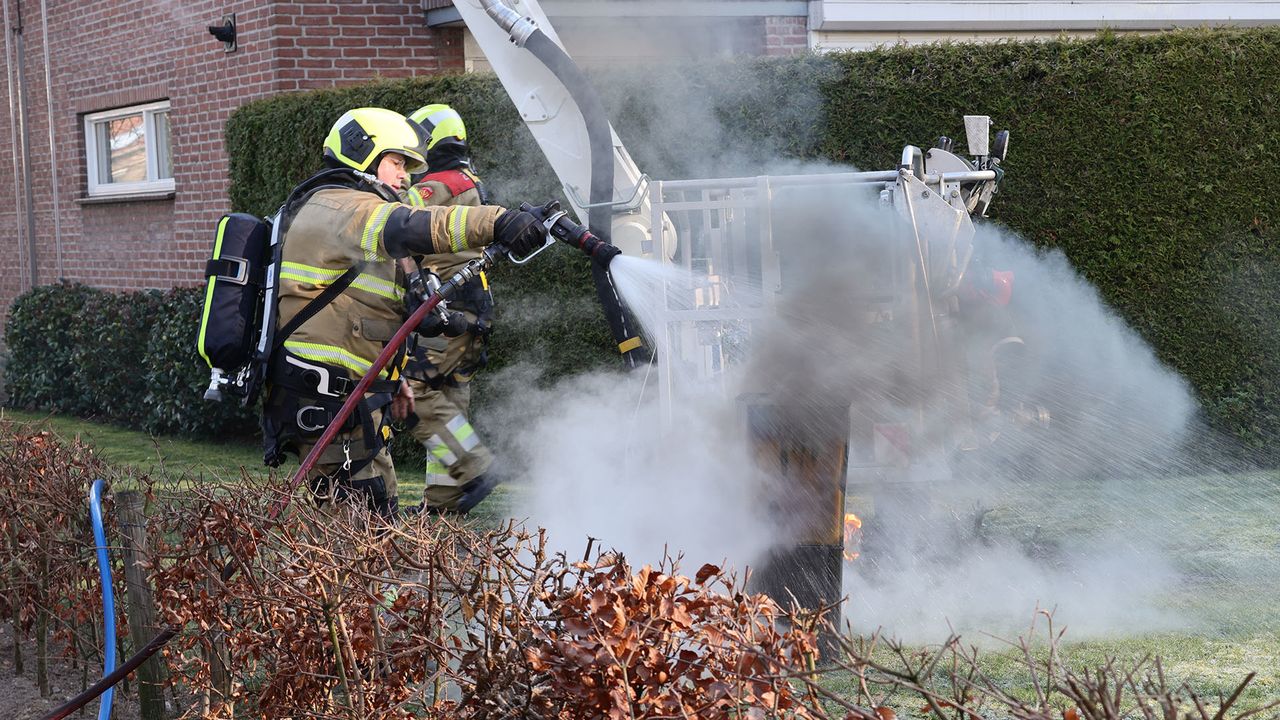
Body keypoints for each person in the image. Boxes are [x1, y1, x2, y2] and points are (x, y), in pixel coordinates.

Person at [259, 107, 546, 521]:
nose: (406, 177)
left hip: (354, 402)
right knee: (357, 540)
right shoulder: (342, 207)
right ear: (363, 154)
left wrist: (393, 379)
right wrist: (499, 221)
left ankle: (451, 491)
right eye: (397, 162)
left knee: (378, 523)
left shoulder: (347, 208)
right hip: (328, 403)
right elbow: (411, 226)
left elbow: (370, 308)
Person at [399, 104, 504, 515]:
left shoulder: (435, 186)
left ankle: (476, 469)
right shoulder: (471, 180)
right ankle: (444, 503)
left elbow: (396, 223)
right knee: (451, 398)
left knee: (414, 390)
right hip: (472, 306)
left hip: (446, 306)